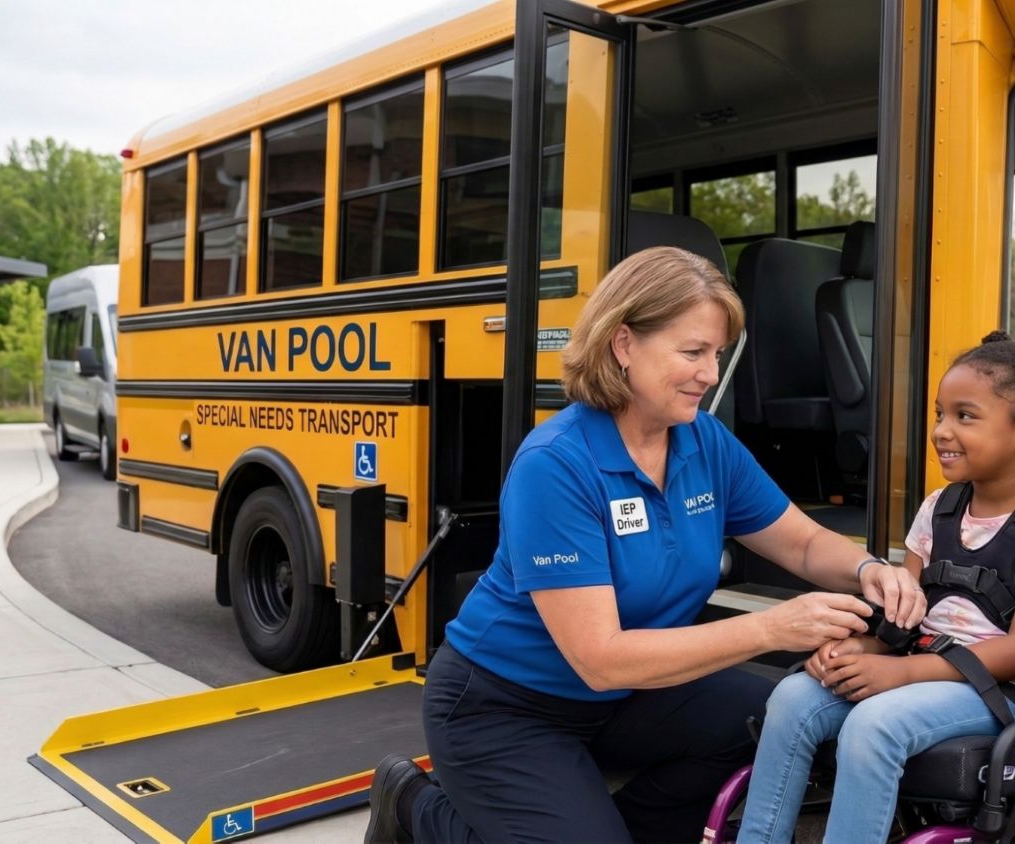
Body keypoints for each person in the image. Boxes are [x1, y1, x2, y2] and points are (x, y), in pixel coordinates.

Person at [364, 247, 927, 844]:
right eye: (692, 352)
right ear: (623, 344)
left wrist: (869, 568)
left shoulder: (704, 441)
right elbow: (600, 659)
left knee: (769, 719)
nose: (710, 374)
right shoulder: (556, 464)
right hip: (507, 707)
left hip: (632, 695)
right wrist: (771, 629)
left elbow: (806, 544)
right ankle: (413, 807)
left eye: (716, 354)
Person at [736, 331, 1015, 844]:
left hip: (1005, 689)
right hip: (921, 666)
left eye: (965, 416)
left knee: (875, 723)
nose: (942, 431)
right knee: (795, 696)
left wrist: (902, 671)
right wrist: (856, 649)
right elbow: (901, 619)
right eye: (939, 414)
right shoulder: (939, 508)